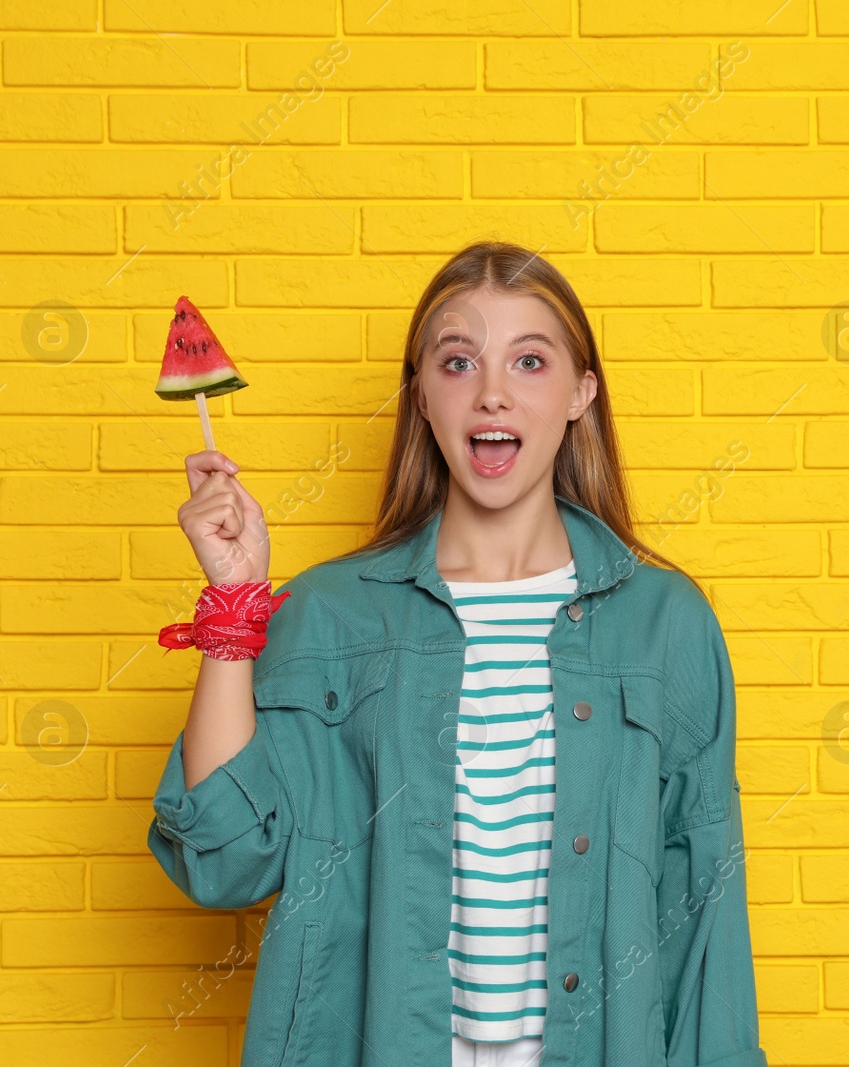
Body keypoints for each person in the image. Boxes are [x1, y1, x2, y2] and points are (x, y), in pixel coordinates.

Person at [147, 240, 768, 1067]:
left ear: (582, 393)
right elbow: (223, 863)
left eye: (531, 361)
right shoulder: (330, 614)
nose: (493, 393)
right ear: (422, 397)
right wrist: (233, 603)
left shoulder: (666, 625)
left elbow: (705, 919)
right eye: (458, 362)